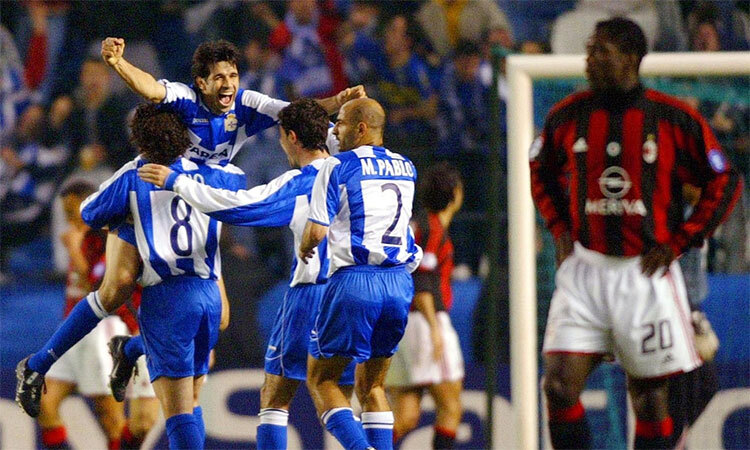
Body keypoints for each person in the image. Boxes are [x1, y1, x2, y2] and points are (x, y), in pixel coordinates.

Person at [15, 37, 364, 416]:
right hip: (156, 188)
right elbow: (151, 88)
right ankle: (38, 365)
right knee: (115, 289)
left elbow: (296, 114)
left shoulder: (246, 104)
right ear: (201, 82)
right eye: (219, 77)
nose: (228, 84)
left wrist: (337, 102)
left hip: (199, 199)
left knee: (221, 317)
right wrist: (117, 63)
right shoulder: (184, 98)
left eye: (232, 75)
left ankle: (130, 348)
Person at [530, 18, 744, 449]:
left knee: (649, 400)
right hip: (584, 271)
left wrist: (680, 242)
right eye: (589, 50)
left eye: (600, 52)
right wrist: (559, 227)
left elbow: (725, 181)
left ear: (630, 58)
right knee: (557, 386)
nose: (588, 60)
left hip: (644, 275)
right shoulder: (567, 116)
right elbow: (540, 169)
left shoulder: (672, 118)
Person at [137, 98, 357, 450]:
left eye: (282, 137)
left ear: (291, 137)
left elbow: (237, 207)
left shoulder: (303, 182)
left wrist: (176, 181)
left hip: (312, 292)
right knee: (348, 393)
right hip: (353, 290)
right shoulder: (355, 171)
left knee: (275, 396)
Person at [299, 98, 423, 450]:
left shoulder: (336, 166)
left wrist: (305, 247)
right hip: (398, 282)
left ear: (361, 128)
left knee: (322, 380)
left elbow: (317, 230)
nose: (335, 131)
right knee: (373, 387)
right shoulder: (407, 166)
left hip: (355, 280)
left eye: (339, 123)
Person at [385, 162, 465, 449]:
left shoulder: (416, 225)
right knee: (450, 407)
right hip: (425, 321)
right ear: (455, 194)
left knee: (404, 417)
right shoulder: (433, 229)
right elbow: (422, 280)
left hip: (401, 324)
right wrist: (434, 329)